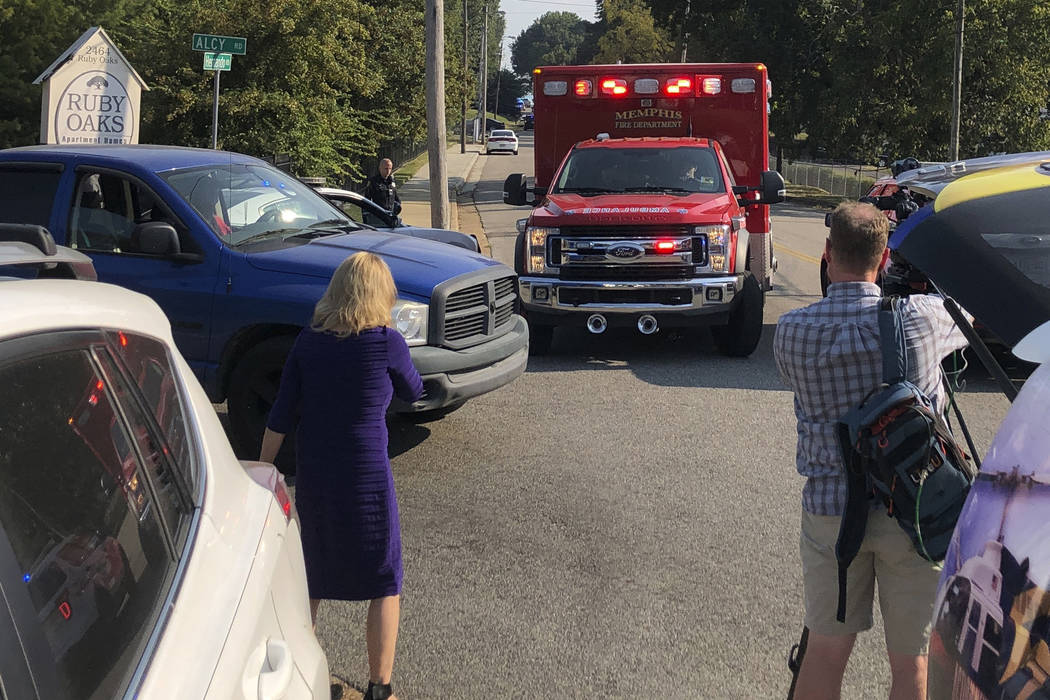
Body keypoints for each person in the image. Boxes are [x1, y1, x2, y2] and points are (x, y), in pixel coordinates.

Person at [773, 202, 968, 700]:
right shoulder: (920, 321)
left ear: (826, 253)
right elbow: (967, 311)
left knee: (825, 653)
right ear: (884, 260)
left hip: (832, 515)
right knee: (911, 664)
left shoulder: (793, 334)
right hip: (915, 512)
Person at [259, 252, 423, 700]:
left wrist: (264, 468)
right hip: (366, 473)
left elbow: (280, 415)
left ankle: (299, 679)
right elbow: (414, 388)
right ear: (379, 295)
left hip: (317, 473)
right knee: (384, 578)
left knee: (314, 572)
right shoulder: (386, 342)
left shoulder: (308, 342)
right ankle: (379, 687)